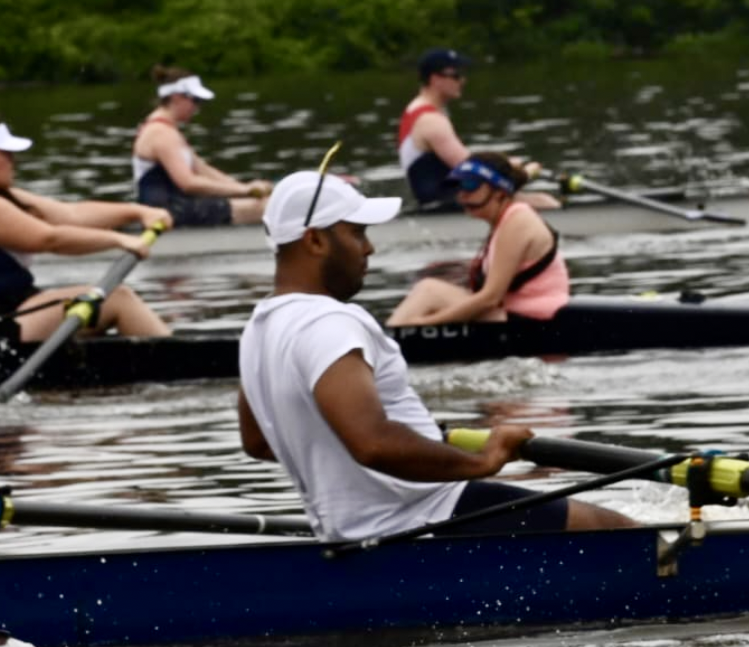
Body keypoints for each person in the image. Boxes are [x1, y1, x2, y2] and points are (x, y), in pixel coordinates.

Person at [237, 168, 633, 542]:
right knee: (620, 532)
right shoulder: (330, 323)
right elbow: (372, 443)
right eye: (357, 232)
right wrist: (485, 459)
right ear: (315, 240)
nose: (369, 247)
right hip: (428, 516)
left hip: (359, 530)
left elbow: (259, 441)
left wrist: (423, 443)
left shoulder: (258, 329)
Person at [0, 114, 174, 344]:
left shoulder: (2, 197)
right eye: (5, 153)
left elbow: (72, 215)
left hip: (15, 312)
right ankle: (177, 357)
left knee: (108, 307)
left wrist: (139, 212)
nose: (12, 160)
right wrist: (120, 240)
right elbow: (48, 239)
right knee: (118, 299)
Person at [387, 152, 570, 326]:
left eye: (470, 185)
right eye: (458, 185)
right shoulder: (505, 219)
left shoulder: (517, 221)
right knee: (432, 289)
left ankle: (392, 339)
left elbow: (490, 299)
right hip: (515, 313)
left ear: (499, 192)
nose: (461, 195)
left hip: (536, 320)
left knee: (429, 290)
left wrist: (424, 324)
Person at [395, 47, 559, 212]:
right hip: (442, 205)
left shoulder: (417, 109)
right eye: (456, 76)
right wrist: (521, 172)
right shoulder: (430, 120)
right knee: (547, 203)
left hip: (447, 198)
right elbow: (474, 170)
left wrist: (507, 165)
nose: (463, 81)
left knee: (530, 198)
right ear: (435, 79)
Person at [132, 65, 272, 226]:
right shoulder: (160, 133)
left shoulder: (168, 130)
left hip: (179, 205)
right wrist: (244, 191)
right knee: (268, 208)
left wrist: (245, 189)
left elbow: (203, 170)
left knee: (267, 202)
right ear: (177, 97)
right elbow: (189, 183)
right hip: (166, 213)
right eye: (196, 101)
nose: (198, 108)